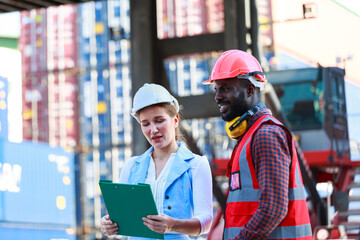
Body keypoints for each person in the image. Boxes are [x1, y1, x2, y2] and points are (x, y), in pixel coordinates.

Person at [203, 50, 312, 239]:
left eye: (225, 88)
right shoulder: (249, 137)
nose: (217, 96)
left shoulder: (266, 135)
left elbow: (274, 208)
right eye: (216, 89)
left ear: (250, 90)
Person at [100, 83, 213, 240]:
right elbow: (124, 217)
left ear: (175, 120)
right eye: (145, 124)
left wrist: (173, 225)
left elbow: (205, 222)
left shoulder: (196, 164)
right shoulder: (132, 167)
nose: (153, 130)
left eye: (159, 120)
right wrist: (109, 224)